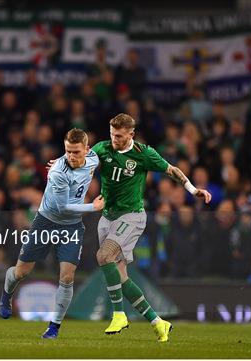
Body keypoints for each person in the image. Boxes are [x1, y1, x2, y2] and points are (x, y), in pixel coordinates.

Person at [90, 113, 211, 342]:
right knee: (121, 277)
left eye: (119, 136)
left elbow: (172, 170)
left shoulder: (144, 154)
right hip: (107, 218)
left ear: (131, 134)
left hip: (132, 216)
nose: (114, 139)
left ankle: (118, 314)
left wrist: (193, 190)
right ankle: (158, 322)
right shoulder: (103, 148)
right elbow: (82, 159)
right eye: (112, 134)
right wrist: (61, 162)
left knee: (104, 256)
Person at [0, 128, 104, 339]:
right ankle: (6, 295)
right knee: (21, 272)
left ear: (87, 149)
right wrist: (92, 207)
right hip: (46, 222)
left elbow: (105, 151)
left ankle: (53, 328)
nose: (72, 157)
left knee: (67, 277)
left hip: (72, 227)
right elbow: (63, 207)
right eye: (68, 151)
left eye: (76, 152)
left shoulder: (93, 158)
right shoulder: (57, 172)